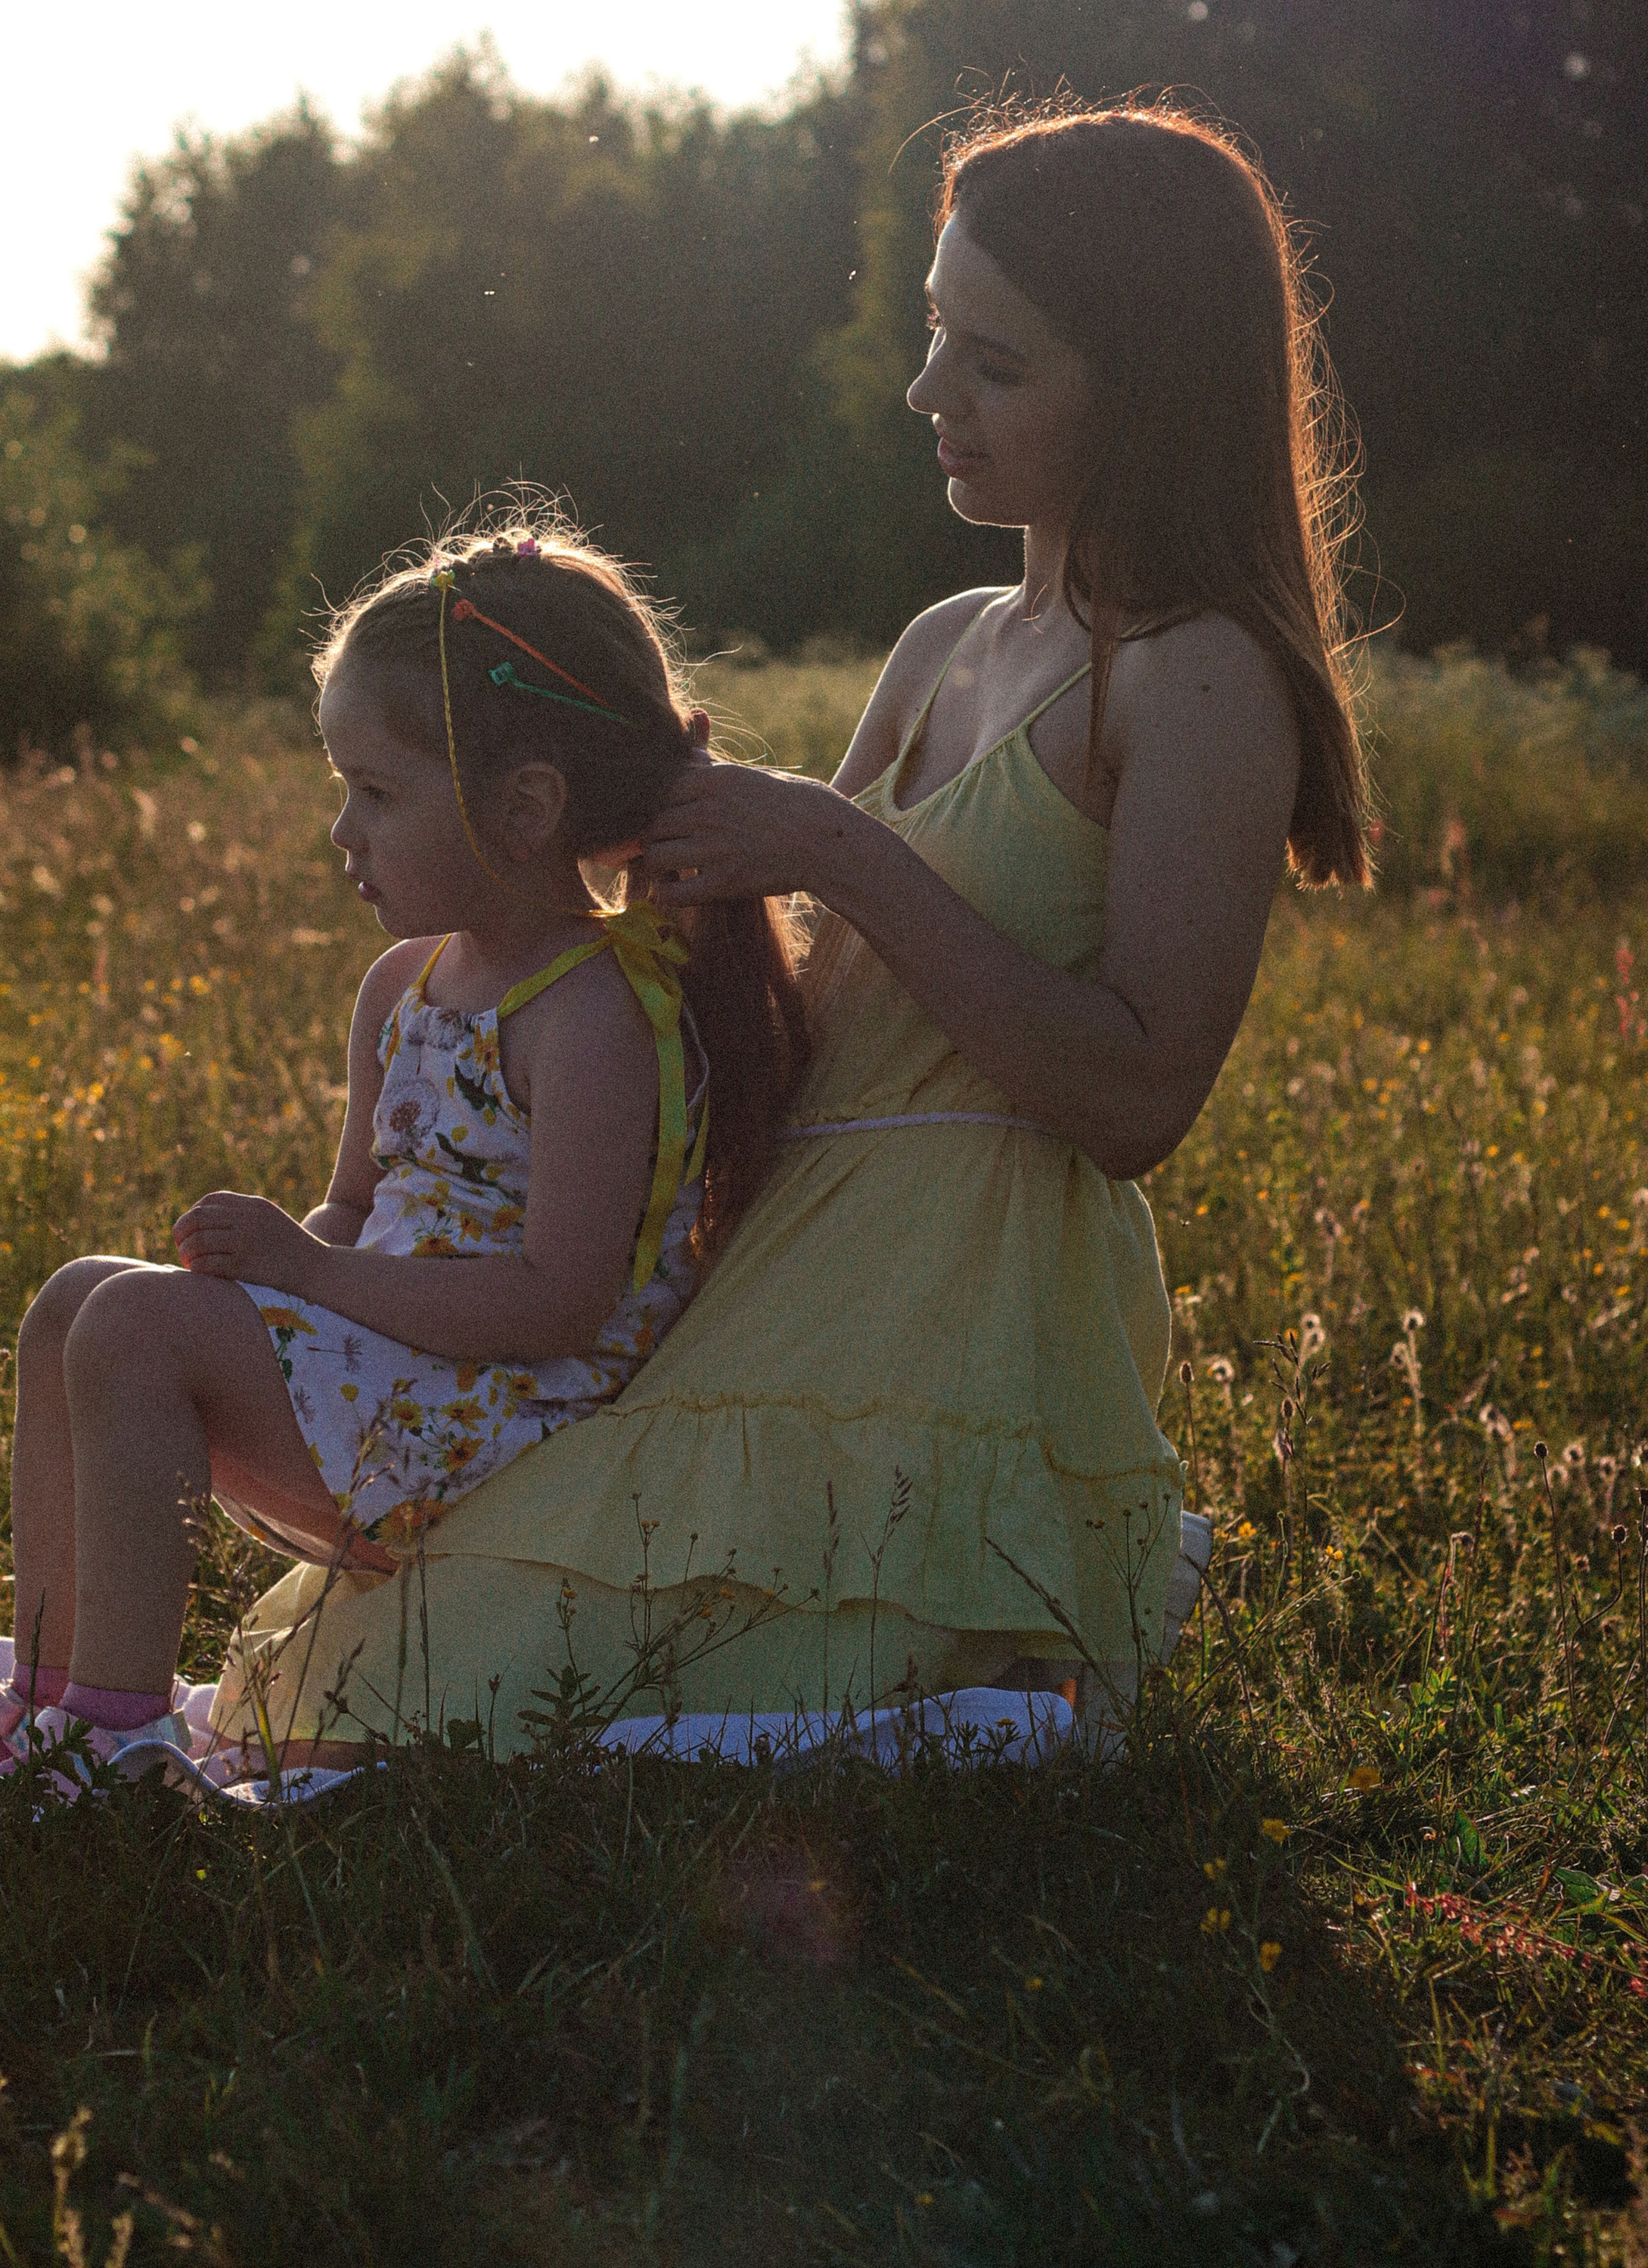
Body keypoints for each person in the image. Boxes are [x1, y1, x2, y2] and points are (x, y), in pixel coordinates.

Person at [216, 99, 1370, 1756]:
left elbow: (1133, 1104)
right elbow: (775, 1006)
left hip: (958, 1290)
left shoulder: (1198, 676)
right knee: (390, 1671)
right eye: (930, 338)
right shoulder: (945, 639)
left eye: (993, 363)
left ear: (1147, 385)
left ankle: (1032, 1607)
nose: (924, 397)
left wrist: (835, 849)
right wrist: (573, 830)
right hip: (771, 1259)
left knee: (460, 1706)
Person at [0, 527, 806, 1775]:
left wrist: (300, 1280)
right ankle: (44, 1697)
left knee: (134, 1328)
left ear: (525, 808)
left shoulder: (591, 1016)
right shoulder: (404, 987)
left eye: (379, 792)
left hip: (513, 1426)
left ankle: (116, 1742)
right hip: (405, 1380)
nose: (342, 833)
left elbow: (559, 1301)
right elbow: (355, 1211)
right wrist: (266, 1269)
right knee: (75, 1301)